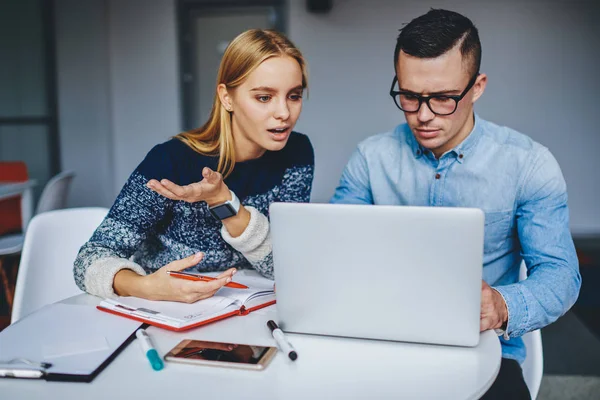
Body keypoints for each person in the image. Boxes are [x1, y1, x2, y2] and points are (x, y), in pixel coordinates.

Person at [330, 9, 580, 399]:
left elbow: (562, 277)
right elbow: (334, 253)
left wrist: (500, 304)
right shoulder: (370, 158)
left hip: (487, 353)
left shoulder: (529, 164)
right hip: (381, 344)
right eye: (410, 97)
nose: (423, 116)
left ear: (477, 87)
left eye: (444, 98)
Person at [74, 29, 314, 304]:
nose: (284, 113)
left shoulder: (297, 153)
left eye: (294, 96)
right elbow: (89, 260)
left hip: (249, 308)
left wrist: (224, 201)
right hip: (165, 311)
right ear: (227, 97)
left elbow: (283, 265)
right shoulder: (172, 160)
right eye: (264, 97)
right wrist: (144, 286)